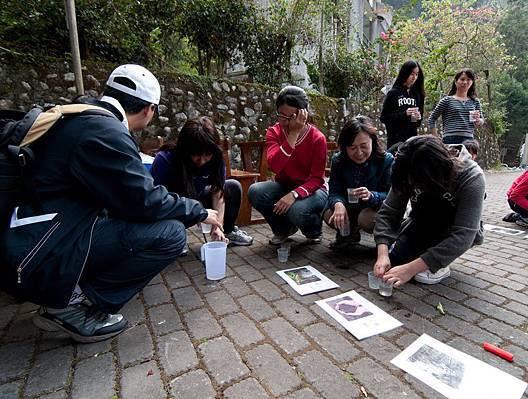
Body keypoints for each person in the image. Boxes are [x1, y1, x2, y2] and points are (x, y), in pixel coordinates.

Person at [0, 65, 221, 343]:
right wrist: (199, 211)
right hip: (41, 253)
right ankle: (72, 305)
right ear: (149, 110)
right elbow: (145, 200)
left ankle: (70, 291)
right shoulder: (107, 132)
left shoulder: (79, 115)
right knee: (171, 235)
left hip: (30, 237)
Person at [373, 135, 485, 286]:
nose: (413, 184)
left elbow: (464, 234)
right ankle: (420, 249)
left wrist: (410, 269)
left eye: (418, 181)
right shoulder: (407, 162)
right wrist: (382, 254)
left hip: (450, 227)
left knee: (416, 273)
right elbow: (389, 212)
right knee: (397, 259)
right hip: (422, 221)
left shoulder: (471, 176)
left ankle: (440, 262)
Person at [151, 117, 253, 246]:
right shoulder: (165, 160)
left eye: (207, 155)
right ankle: (174, 236)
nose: (202, 160)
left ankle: (227, 231)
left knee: (232, 186)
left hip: (198, 198)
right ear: (185, 150)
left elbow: (218, 193)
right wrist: (196, 212)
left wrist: (218, 225)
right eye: (196, 155)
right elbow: (157, 202)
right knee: (174, 236)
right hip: (175, 205)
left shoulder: (216, 158)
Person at [248, 86, 328, 245]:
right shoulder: (274, 132)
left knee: (297, 209)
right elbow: (275, 166)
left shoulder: (317, 138)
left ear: (303, 114)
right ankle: (283, 229)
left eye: (290, 117)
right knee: (255, 191)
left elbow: (317, 179)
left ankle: (313, 229)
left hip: (314, 190)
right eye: (281, 115)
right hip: (285, 185)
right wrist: (293, 134)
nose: (284, 121)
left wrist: (294, 195)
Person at [323, 116, 394, 248]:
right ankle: (348, 235)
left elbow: (392, 196)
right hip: (350, 206)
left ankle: (387, 241)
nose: (359, 153)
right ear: (345, 147)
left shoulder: (386, 160)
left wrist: (372, 196)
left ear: (372, 141)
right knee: (329, 213)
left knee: (366, 219)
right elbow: (334, 191)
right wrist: (338, 203)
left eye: (363, 146)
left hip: (375, 209)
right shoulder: (339, 160)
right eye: (352, 148)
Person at [428, 68, 484, 145]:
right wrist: (435, 137)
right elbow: (432, 118)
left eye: (468, 80)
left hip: (469, 140)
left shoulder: (475, 101)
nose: (465, 82)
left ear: (472, 82)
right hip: (450, 139)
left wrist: (478, 120)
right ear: (455, 81)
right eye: (462, 79)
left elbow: (481, 121)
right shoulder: (447, 100)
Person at [379, 60, 425, 150]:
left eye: (416, 74)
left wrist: (417, 117)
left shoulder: (418, 95)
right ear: (405, 73)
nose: (414, 77)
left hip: (411, 142)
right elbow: (384, 118)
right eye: (412, 74)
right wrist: (404, 114)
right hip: (395, 142)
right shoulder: (393, 93)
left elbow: (417, 123)